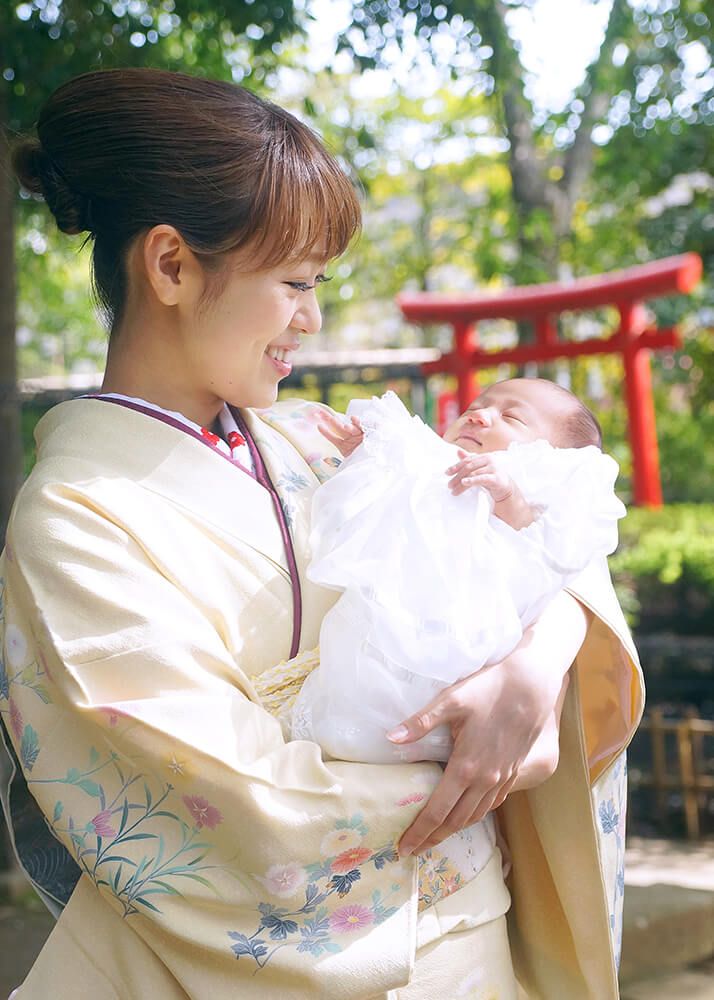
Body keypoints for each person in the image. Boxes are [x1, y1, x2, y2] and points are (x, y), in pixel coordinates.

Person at [0, 67, 642, 999]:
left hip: (478, 948)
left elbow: (546, 546)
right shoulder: (75, 516)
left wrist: (538, 665)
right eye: (295, 283)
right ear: (172, 265)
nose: (313, 318)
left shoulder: (319, 442)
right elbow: (232, 805)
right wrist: (483, 770)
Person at [288, 379, 626, 770]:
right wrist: (367, 453)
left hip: (464, 640)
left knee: (425, 692)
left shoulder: (535, 487)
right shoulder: (432, 462)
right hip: (390, 618)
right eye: (474, 406)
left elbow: (534, 550)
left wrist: (509, 497)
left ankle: (417, 740)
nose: (479, 415)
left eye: (511, 416)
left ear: (550, 457)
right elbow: (382, 499)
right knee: (358, 679)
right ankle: (342, 725)